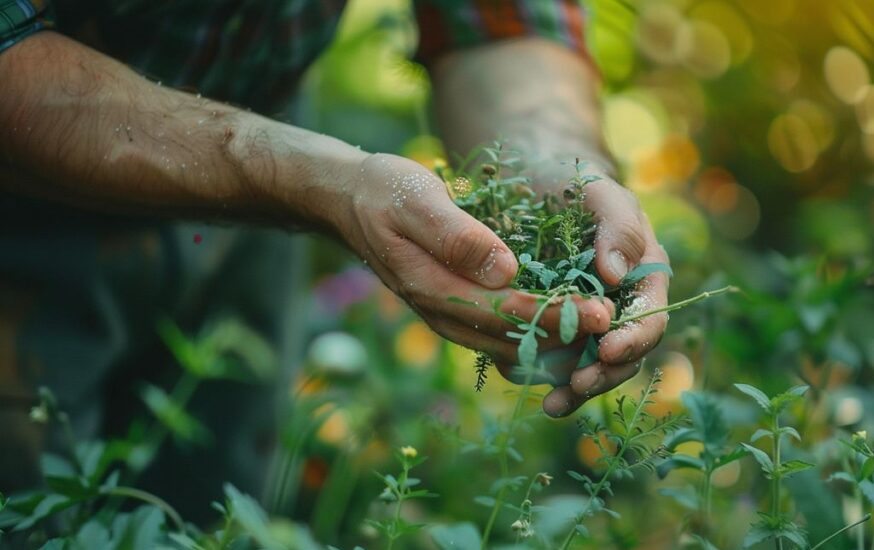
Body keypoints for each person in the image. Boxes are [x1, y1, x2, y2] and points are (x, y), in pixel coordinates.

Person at [0, 0, 669, 521]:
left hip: (260, 140)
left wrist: (554, 163)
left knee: (213, 520)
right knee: (32, 517)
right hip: (25, 193)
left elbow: (502, 24)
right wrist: (317, 179)